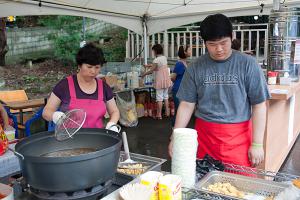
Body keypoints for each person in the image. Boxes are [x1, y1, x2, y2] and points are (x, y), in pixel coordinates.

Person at [168, 14, 270, 167]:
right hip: (205, 137)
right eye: (212, 44)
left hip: (238, 138)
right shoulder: (196, 67)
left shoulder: (248, 64)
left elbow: (259, 105)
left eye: (224, 43)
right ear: (204, 43)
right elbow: (186, 104)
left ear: (232, 36)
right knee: (203, 184)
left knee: (238, 188)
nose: (219, 49)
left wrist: (257, 144)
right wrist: (175, 137)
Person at [43, 43, 120, 131]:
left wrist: (112, 124)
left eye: (97, 67)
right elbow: (46, 112)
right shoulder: (64, 86)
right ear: (79, 65)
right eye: (89, 67)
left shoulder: (104, 87)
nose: (93, 71)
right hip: (69, 141)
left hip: (97, 139)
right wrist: (54, 115)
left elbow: (114, 111)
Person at [141, 44, 172, 120]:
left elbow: (152, 70)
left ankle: (159, 115)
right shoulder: (164, 58)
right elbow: (158, 67)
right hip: (166, 80)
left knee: (159, 98)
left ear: (155, 51)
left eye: (153, 51)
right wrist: (148, 66)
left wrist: (144, 74)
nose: (153, 52)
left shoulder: (156, 60)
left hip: (160, 81)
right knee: (166, 96)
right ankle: (167, 113)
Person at [170, 45, 191, 126]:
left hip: (183, 90)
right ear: (184, 52)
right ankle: (174, 130)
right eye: (189, 50)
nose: (190, 51)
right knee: (178, 111)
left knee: (182, 111)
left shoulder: (185, 63)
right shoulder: (179, 64)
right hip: (178, 90)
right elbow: (172, 77)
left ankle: (179, 130)